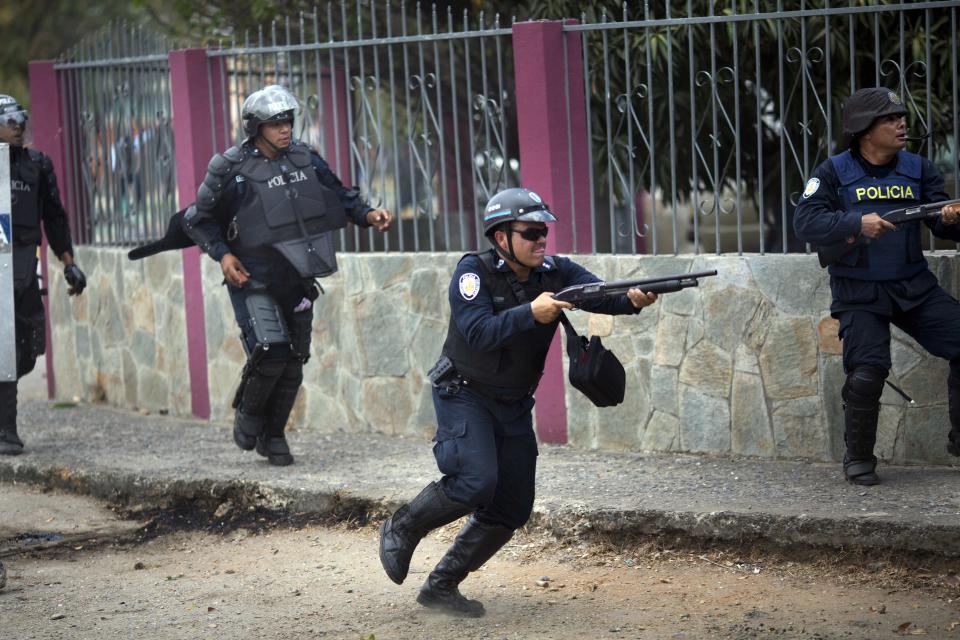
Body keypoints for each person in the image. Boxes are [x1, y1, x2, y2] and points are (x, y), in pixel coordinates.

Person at [378, 187, 658, 617]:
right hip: (464, 392)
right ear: (502, 236)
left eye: (544, 231)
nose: (541, 240)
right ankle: (403, 526)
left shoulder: (554, 271)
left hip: (512, 402)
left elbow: (599, 293)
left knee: (513, 505)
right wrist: (531, 312)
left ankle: (441, 585)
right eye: (530, 232)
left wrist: (632, 300)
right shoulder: (473, 273)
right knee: (475, 481)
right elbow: (478, 332)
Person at [179, 84, 391, 466]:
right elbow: (198, 219)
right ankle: (248, 414)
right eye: (275, 123)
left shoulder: (305, 158)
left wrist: (367, 214)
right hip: (252, 277)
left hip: (297, 275)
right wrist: (223, 256)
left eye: (288, 121)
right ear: (256, 127)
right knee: (270, 351)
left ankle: (273, 435)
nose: (284, 129)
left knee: (293, 360)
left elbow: (339, 194)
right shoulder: (230, 168)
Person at [794, 87, 960, 486]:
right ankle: (859, 456)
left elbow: (938, 220)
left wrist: (951, 218)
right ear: (864, 130)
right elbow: (805, 223)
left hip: (913, 286)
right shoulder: (832, 172)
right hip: (859, 293)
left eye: (901, 116)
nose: (901, 123)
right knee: (867, 372)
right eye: (890, 118)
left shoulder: (919, 168)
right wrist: (857, 223)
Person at [0, 94, 86, 456]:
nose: (17, 127)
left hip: (23, 266)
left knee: (27, 351)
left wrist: (68, 261)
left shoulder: (37, 165)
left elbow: (54, 215)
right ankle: (6, 431)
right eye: (9, 122)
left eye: (21, 121)